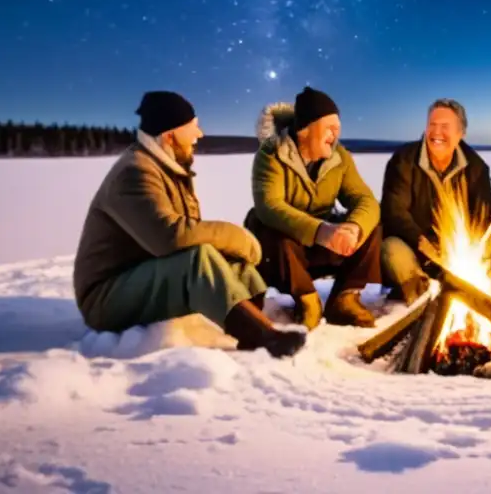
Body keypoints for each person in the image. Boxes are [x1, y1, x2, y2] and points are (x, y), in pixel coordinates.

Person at [73, 91, 305, 358]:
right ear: (170, 135)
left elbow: (186, 233)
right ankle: (261, 336)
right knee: (198, 259)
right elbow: (170, 237)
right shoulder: (135, 172)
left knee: (227, 258)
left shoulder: (166, 165)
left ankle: (261, 316)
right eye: (193, 127)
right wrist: (236, 236)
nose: (200, 134)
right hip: (105, 299)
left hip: (141, 274)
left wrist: (231, 248)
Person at [246, 87, 382, 329]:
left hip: (323, 246)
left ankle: (345, 298)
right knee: (272, 232)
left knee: (371, 224)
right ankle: (307, 301)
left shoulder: (339, 158)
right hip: (285, 254)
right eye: (329, 127)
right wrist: (321, 231)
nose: (336, 133)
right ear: (305, 130)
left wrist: (352, 228)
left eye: (338, 127)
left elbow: (365, 199)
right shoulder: (271, 154)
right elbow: (270, 206)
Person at [380, 99, 491, 304]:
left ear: (461, 134)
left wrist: (461, 251)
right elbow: (394, 212)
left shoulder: (477, 168)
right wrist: (423, 244)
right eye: (432, 125)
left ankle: (470, 293)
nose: (436, 133)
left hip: (458, 253)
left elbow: (484, 217)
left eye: (445, 127)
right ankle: (422, 295)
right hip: (415, 247)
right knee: (391, 249)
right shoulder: (404, 161)